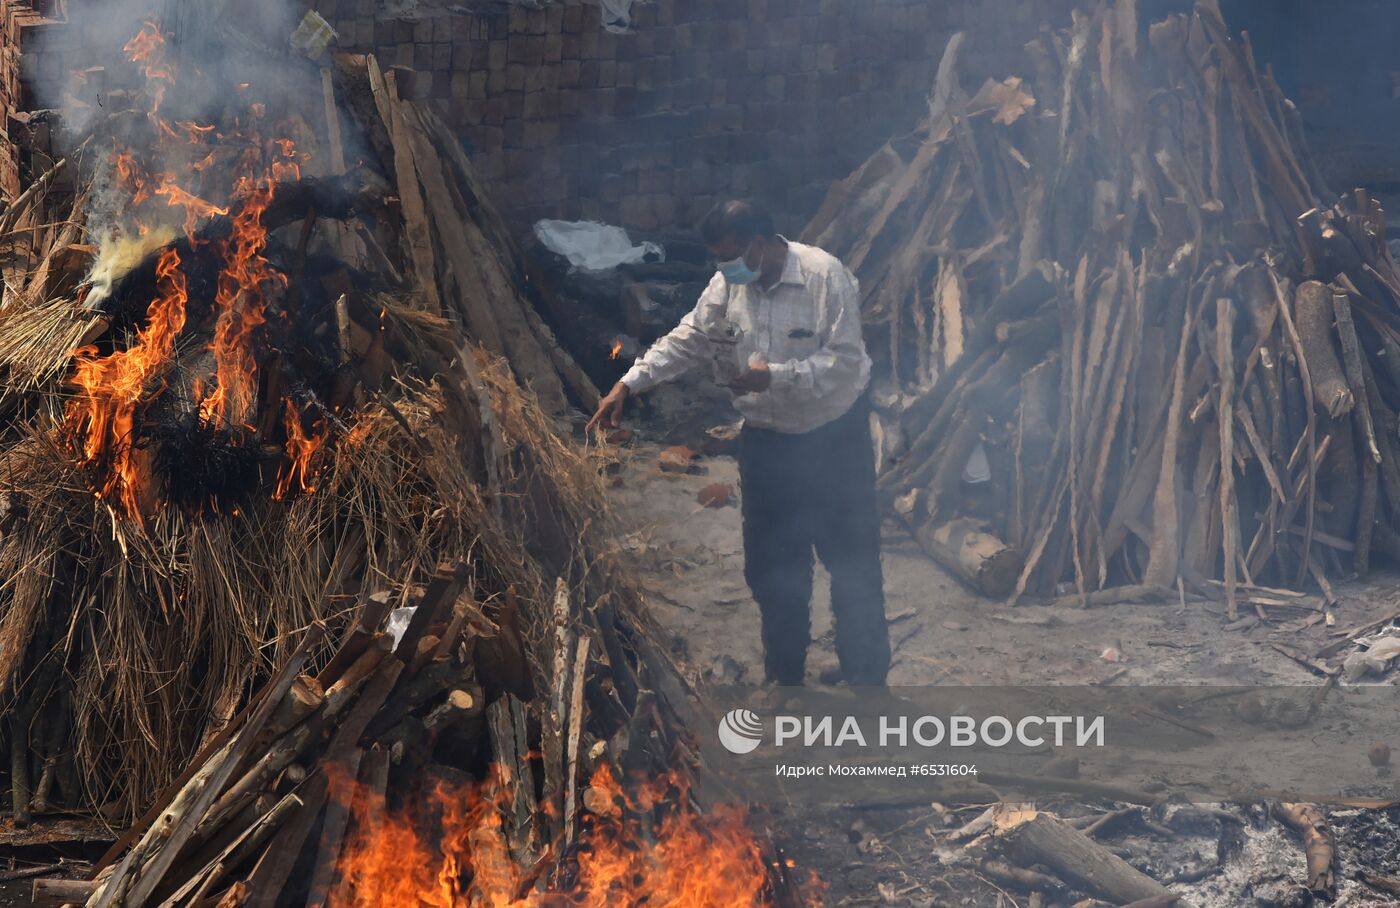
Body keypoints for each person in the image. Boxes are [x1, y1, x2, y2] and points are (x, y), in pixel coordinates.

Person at [587, 200, 890, 686]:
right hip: (767, 444)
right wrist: (629, 383)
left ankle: (868, 682)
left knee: (851, 563)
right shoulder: (728, 285)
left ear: (765, 242)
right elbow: (690, 340)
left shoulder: (824, 277)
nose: (726, 266)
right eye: (719, 258)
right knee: (773, 568)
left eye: (733, 255)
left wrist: (777, 377)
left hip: (832, 441)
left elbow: (846, 363)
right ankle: (785, 677)